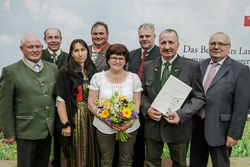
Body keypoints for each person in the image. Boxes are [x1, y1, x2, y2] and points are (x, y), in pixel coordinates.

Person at [141, 29, 205, 167]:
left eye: (171, 42)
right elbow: (143, 94)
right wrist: (147, 109)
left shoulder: (192, 67)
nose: (167, 46)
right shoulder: (148, 66)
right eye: (163, 42)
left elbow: (199, 97)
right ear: (159, 44)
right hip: (153, 126)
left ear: (178, 45)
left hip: (179, 128)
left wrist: (181, 114)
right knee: (151, 163)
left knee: (180, 164)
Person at [190, 32, 250, 167]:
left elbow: (242, 106)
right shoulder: (199, 66)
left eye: (221, 44)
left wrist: (234, 134)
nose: (216, 47)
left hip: (221, 131)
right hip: (197, 127)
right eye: (213, 43)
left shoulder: (240, 70)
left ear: (229, 47)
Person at [0, 34, 58, 167]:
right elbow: (5, 105)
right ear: (22, 49)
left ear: (42, 47)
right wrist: (8, 132)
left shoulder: (53, 69)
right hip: (25, 130)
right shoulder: (10, 71)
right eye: (30, 47)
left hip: (47, 131)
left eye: (37, 46)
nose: (35, 50)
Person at [88, 44, 143, 167]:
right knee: (106, 160)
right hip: (104, 126)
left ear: (125, 61)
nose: (117, 61)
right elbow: (91, 104)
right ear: (108, 59)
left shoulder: (133, 78)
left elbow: (137, 103)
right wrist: (107, 121)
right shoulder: (98, 78)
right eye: (114, 57)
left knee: (126, 159)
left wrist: (128, 123)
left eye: (121, 58)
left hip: (129, 126)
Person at [55, 39, 99, 167]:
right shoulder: (65, 72)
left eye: (83, 50)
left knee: (92, 149)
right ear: (71, 53)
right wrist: (65, 124)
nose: (80, 54)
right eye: (76, 50)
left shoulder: (92, 71)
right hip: (75, 116)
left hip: (92, 115)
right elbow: (60, 100)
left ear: (87, 51)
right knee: (76, 150)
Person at [129, 23, 161, 167]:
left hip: (152, 107)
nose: (144, 39)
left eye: (148, 36)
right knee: (136, 143)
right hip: (133, 107)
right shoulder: (131, 54)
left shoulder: (162, 54)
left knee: (153, 146)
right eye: (141, 36)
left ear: (154, 37)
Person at [42, 27, 69, 167]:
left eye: (56, 37)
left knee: (62, 144)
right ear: (45, 40)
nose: (53, 40)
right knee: (43, 143)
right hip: (43, 108)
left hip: (63, 108)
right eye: (50, 37)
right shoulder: (38, 56)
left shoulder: (68, 57)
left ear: (61, 39)